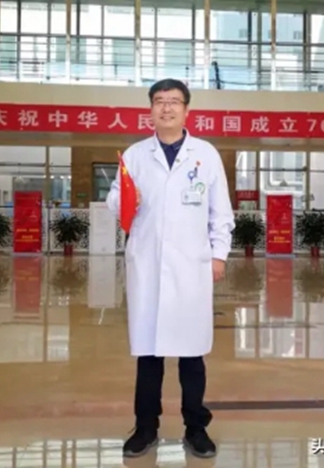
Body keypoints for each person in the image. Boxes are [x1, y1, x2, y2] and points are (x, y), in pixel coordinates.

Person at [106, 78, 235, 459]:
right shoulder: (135, 155)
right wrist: (126, 199)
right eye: (159, 101)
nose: (166, 108)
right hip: (148, 266)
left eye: (174, 101)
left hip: (191, 268)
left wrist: (218, 256)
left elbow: (221, 213)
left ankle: (196, 428)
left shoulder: (205, 154)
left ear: (186, 110)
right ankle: (145, 428)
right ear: (150, 109)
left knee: (192, 355)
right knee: (149, 356)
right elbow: (116, 201)